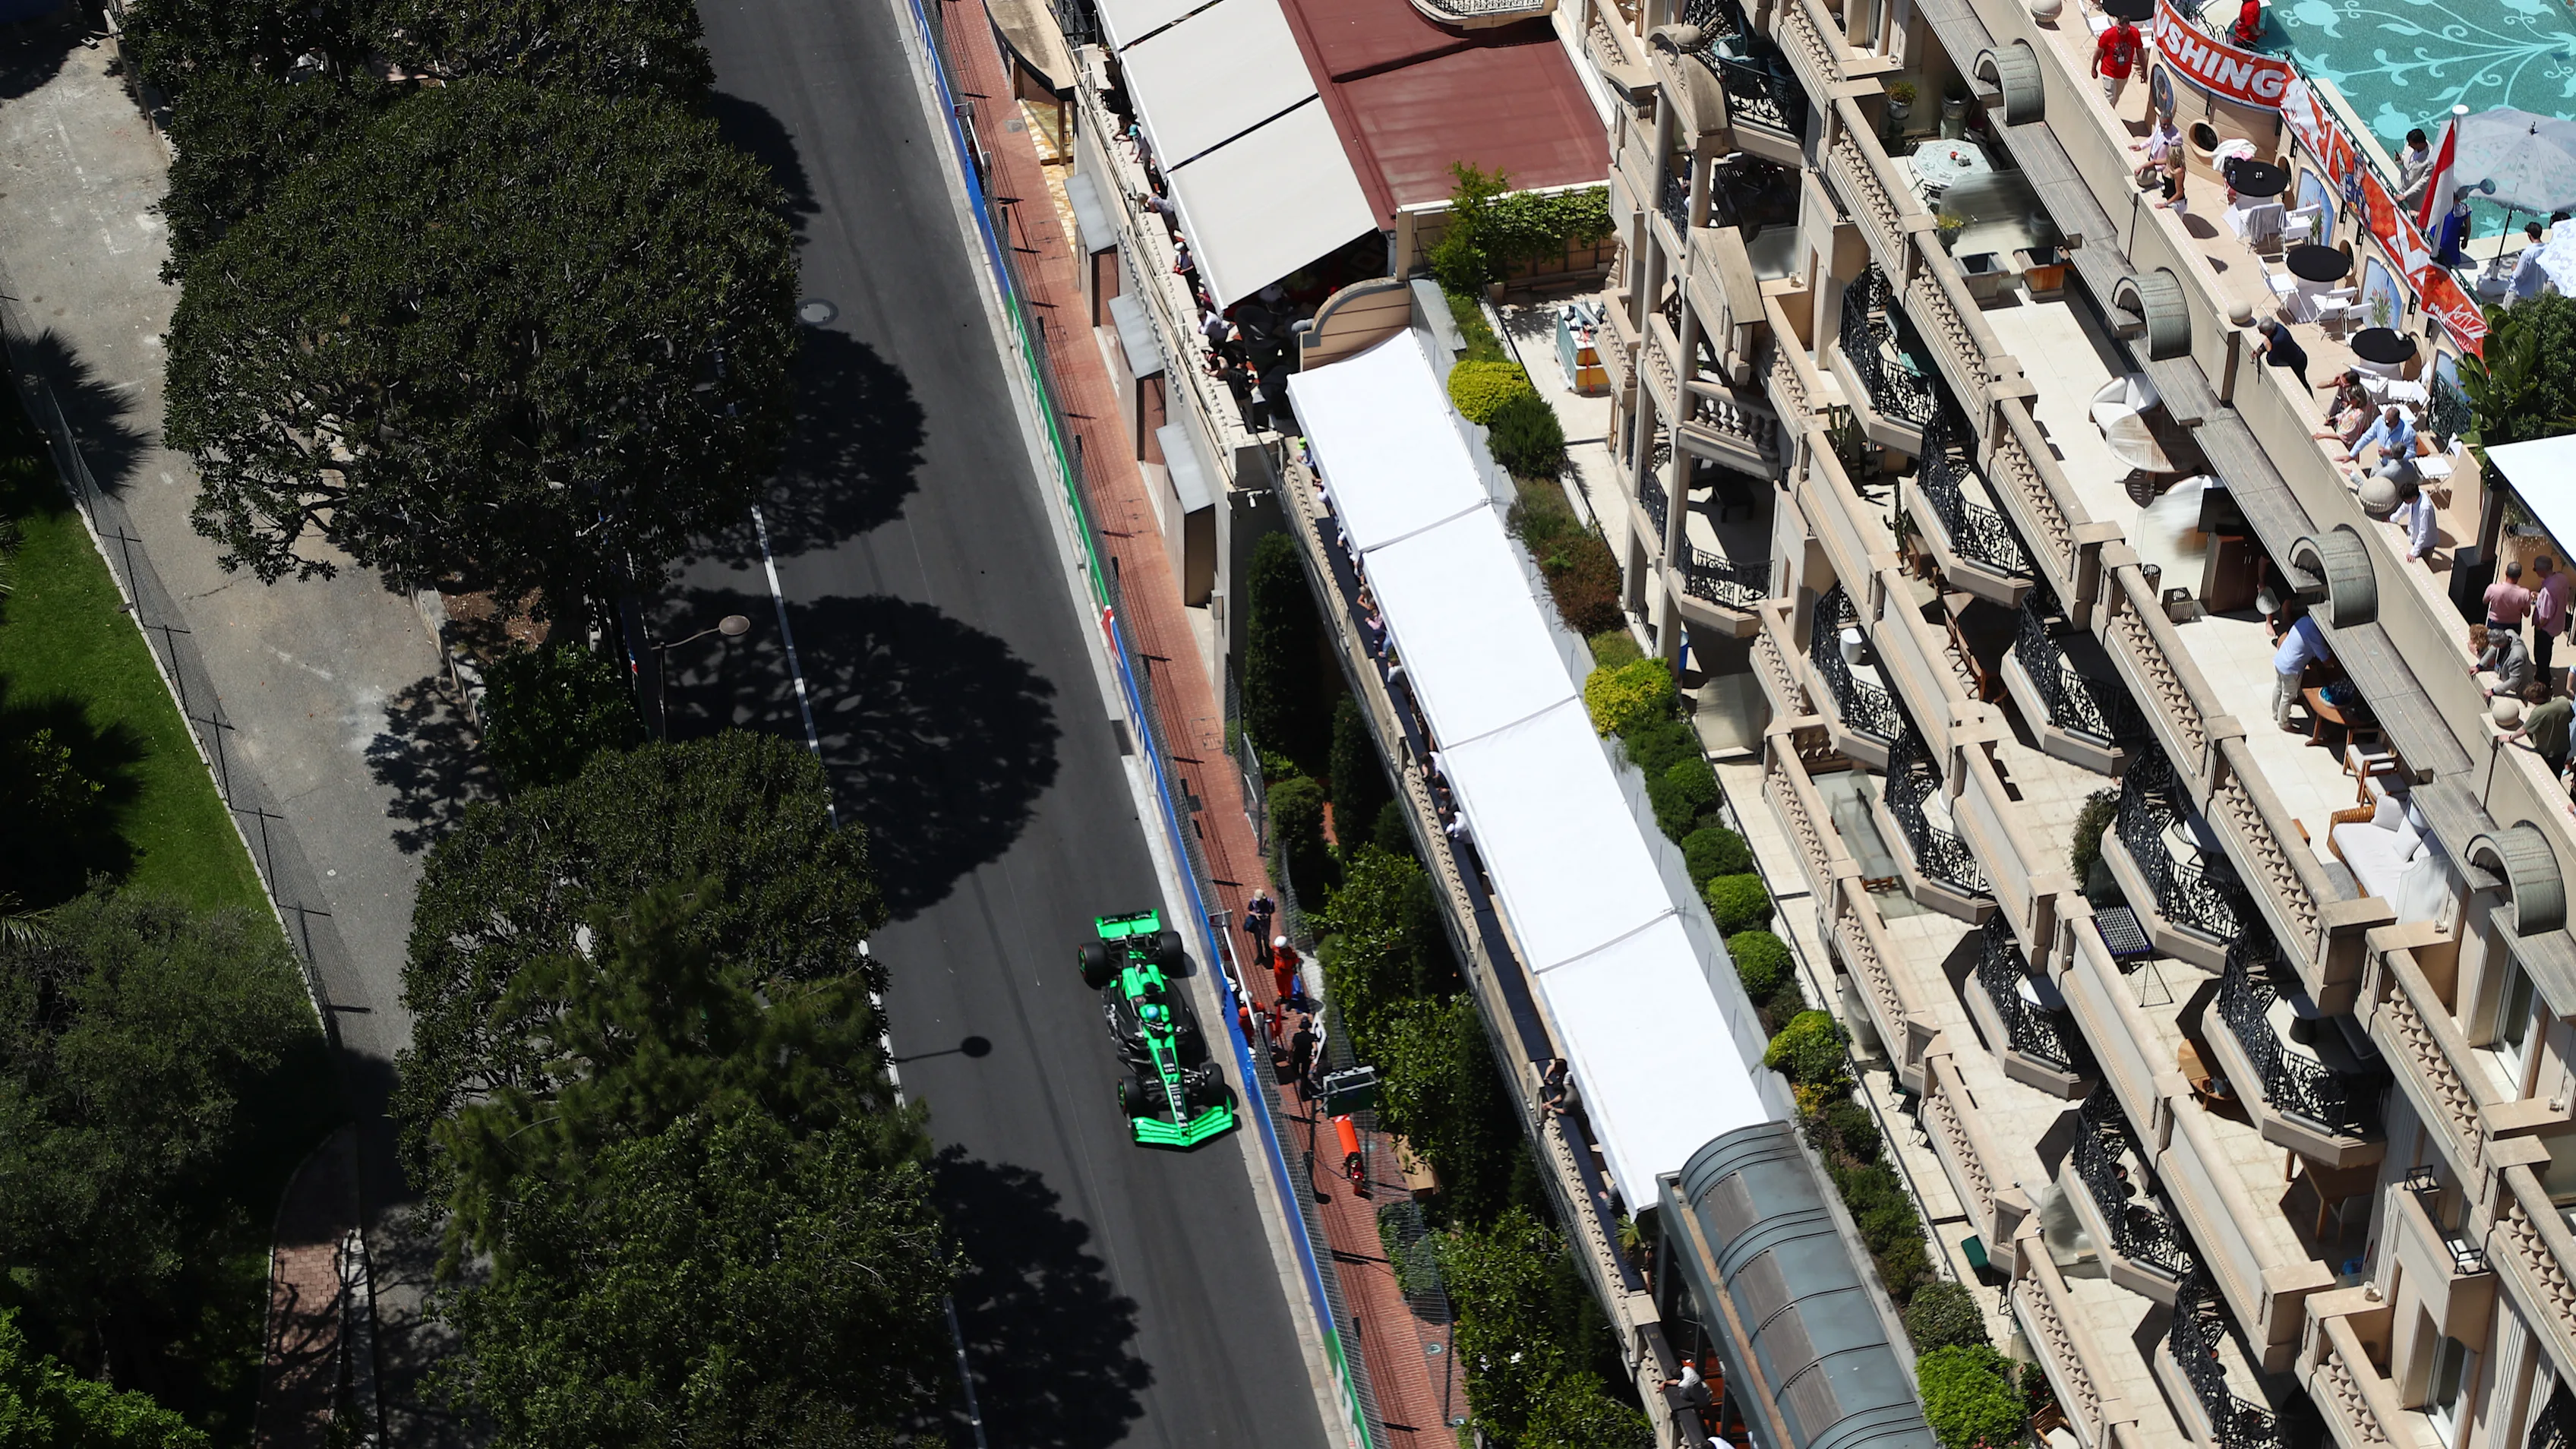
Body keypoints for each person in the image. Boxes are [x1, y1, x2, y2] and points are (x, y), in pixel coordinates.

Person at [2502, 681, 2574, 783]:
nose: (2531, 701)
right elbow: (2570, 718)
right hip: (2563, 749)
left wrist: (2509, 738)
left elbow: (2523, 730)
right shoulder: (2563, 702)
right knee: (2556, 778)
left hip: (2546, 752)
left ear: (2538, 699)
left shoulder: (2539, 712)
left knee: (2544, 779)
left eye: (2531, 699)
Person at [2273, 611, 2330, 730]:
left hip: (2280, 660)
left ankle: (2275, 714)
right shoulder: (2315, 634)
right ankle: (2283, 723)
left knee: (2278, 687)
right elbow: (2325, 659)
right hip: (2291, 669)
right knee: (2288, 695)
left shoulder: (2305, 620)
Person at [2473, 623, 2536, 699]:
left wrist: (2494, 691)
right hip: (2505, 677)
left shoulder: (2517, 656)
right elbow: (2493, 649)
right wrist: (2480, 666)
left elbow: (2515, 680)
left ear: (2499, 645)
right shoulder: (2507, 633)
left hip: (2520, 688)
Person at [2537, 555, 2573, 680]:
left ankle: (2543, 679)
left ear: (2542, 570)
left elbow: (2546, 616)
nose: (2535, 571)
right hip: (2558, 624)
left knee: (2541, 655)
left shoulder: (2548, 591)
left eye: (2535, 569)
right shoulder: (2562, 578)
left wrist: (2538, 626)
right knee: (2548, 650)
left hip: (2547, 628)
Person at [2092, 16, 2141, 109]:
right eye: (2118, 28)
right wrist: (2094, 68)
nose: (2119, 31)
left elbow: (2140, 51)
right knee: (2109, 99)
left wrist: (2144, 69)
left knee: (2115, 98)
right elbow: (2098, 51)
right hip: (2108, 73)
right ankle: (2106, 121)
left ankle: (2110, 118)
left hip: (2124, 74)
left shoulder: (2135, 34)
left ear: (2128, 26)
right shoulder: (2108, 34)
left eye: (2122, 29)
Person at [2252, 317, 2309, 393]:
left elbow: (2271, 360)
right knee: (2303, 381)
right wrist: (2259, 351)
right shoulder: (2277, 327)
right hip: (2299, 356)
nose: (2260, 333)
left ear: (2269, 330)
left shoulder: (2278, 340)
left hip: (2297, 363)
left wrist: (2269, 350)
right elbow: (2268, 341)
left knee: (2302, 384)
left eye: (2261, 331)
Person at [2395, 482, 2442, 563]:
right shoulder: (2415, 495)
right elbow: (2403, 509)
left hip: (2427, 543)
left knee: (2425, 562)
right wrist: (2392, 519)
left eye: (2406, 500)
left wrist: (2413, 553)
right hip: (2414, 537)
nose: (2405, 502)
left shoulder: (2425, 508)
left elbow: (2423, 532)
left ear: (2413, 497)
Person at [2486, 560, 2535, 635]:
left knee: (2492, 645)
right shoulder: (2525, 593)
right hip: (2514, 626)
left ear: (2506, 573)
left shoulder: (2493, 588)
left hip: (2495, 623)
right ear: (2519, 576)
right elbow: (2527, 614)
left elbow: (2485, 601)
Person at [2512, 222, 2554, 302]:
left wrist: (2514, 269)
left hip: (2521, 294)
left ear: (2529, 235)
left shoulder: (2527, 253)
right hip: (2536, 294)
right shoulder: (2547, 250)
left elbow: (2517, 275)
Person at [2396, 128, 2435, 209]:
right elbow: (2405, 157)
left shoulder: (2431, 157)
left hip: (2414, 197)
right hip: (2401, 186)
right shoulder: (2409, 144)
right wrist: (2400, 159)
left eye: (2411, 144)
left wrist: (2405, 195)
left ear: (2419, 144)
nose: (2409, 145)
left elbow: (2423, 181)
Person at [1271, 935, 1299, 1005]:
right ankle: (1282, 996)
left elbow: (1295, 960)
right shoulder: (1275, 948)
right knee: (1279, 984)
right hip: (1278, 969)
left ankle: (1289, 999)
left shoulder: (1290, 953)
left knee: (1288, 985)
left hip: (1287, 971)